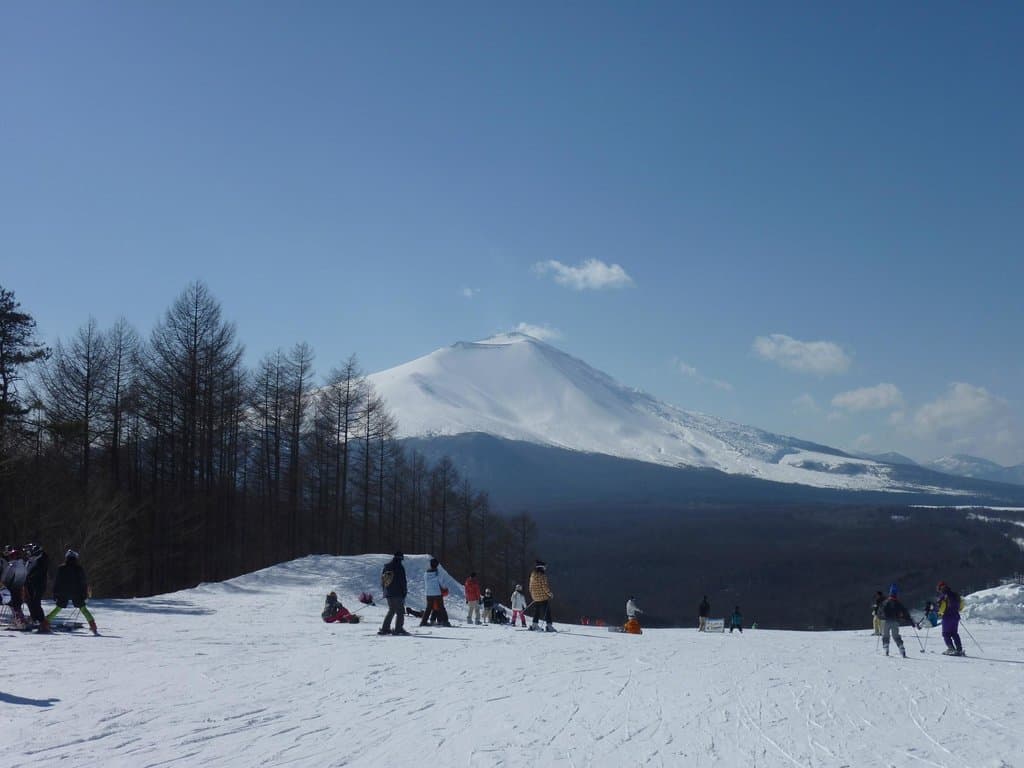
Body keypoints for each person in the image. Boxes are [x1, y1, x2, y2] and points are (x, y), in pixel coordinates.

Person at [45, 549, 97, 634]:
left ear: (66, 558)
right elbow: (83, 582)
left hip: (63, 592)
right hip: (77, 592)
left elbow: (57, 581)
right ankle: (93, 625)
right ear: (76, 558)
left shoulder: (61, 568)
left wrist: (55, 592)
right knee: (83, 609)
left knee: (58, 608)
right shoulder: (79, 568)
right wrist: (85, 594)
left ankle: (45, 623)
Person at [378, 551, 409, 636]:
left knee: (391, 610)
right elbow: (403, 581)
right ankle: (398, 629)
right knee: (400, 611)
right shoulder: (400, 567)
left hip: (388, 593)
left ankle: (385, 628)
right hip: (398, 593)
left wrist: (385, 592)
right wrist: (404, 592)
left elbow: (383, 580)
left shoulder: (387, 566)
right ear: (401, 558)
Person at [878, 583, 912, 657]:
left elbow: (880, 611)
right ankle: (901, 648)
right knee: (896, 635)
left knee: (885, 635)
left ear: (890, 592)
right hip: (895, 621)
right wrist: (909, 620)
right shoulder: (898, 603)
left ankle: (886, 648)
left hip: (886, 621)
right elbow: (905, 612)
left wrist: (880, 617)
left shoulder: (885, 602)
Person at [421, 557, 455, 627]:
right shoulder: (437, 573)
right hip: (437, 593)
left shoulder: (426, 573)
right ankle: (445, 621)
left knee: (428, 608)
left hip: (428, 593)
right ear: (436, 565)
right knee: (441, 607)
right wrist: (445, 588)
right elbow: (442, 583)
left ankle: (423, 622)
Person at [24, 543, 50, 633]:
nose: (28, 554)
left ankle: (43, 623)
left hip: (38, 585)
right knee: (30, 602)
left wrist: (29, 576)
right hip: (32, 585)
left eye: (29, 551)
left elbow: (36, 572)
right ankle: (35, 619)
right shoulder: (32, 560)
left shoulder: (41, 559)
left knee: (36, 603)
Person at [2, 545, 29, 628]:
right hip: (20, 587)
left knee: (14, 605)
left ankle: (20, 622)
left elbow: (7, 577)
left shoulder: (13, 565)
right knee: (17, 605)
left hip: (13, 587)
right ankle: (20, 620)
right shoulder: (23, 564)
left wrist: (4, 584)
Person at [936, 581, 964, 656]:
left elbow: (942, 608)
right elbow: (961, 606)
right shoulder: (956, 594)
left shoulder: (944, 596)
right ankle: (959, 649)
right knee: (954, 633)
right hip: (956, 616)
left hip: (947, 617)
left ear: (940, 588)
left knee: (946, 634)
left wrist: (939, 613)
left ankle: (951, 649)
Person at [528, 559, 555, 632]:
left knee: (537, 611)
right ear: (542, 567)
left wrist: (533, 595)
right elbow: (544, 587)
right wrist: (550, 594)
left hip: (535, 597)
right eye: (545, 567)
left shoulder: (532, 575)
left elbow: (530, 586)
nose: (545, 568)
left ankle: (534, 624)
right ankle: (549, 626)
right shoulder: (542, 575)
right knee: (547, 611)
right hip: (543, 597)